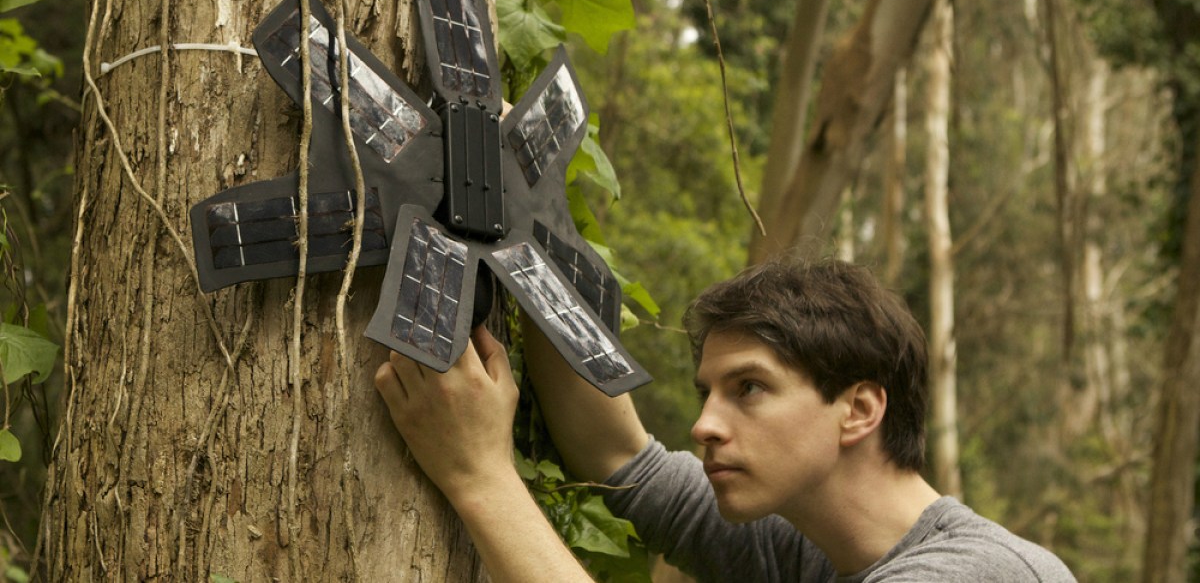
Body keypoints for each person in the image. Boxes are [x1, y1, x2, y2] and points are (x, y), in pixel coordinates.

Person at [373, 257, 1076, 582]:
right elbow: (625, 462)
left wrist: (481, 476)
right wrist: (526, 236)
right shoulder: (808, 548)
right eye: (708, 391)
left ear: (858, 410)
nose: (705, 425)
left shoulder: (975, 576)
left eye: (749, 389)